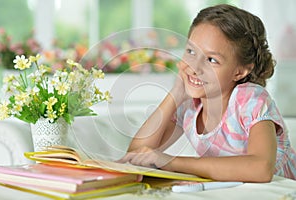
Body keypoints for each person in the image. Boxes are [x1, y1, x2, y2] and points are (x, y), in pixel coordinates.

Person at [118, 4, 296, 182]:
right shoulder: (189, 106)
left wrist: (171, 162)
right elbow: (135, 156)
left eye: (212, 60)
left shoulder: (250, 99)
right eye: (191, 51)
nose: (195, 67)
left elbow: (261, 169)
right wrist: (175, 95)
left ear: (240, 72)